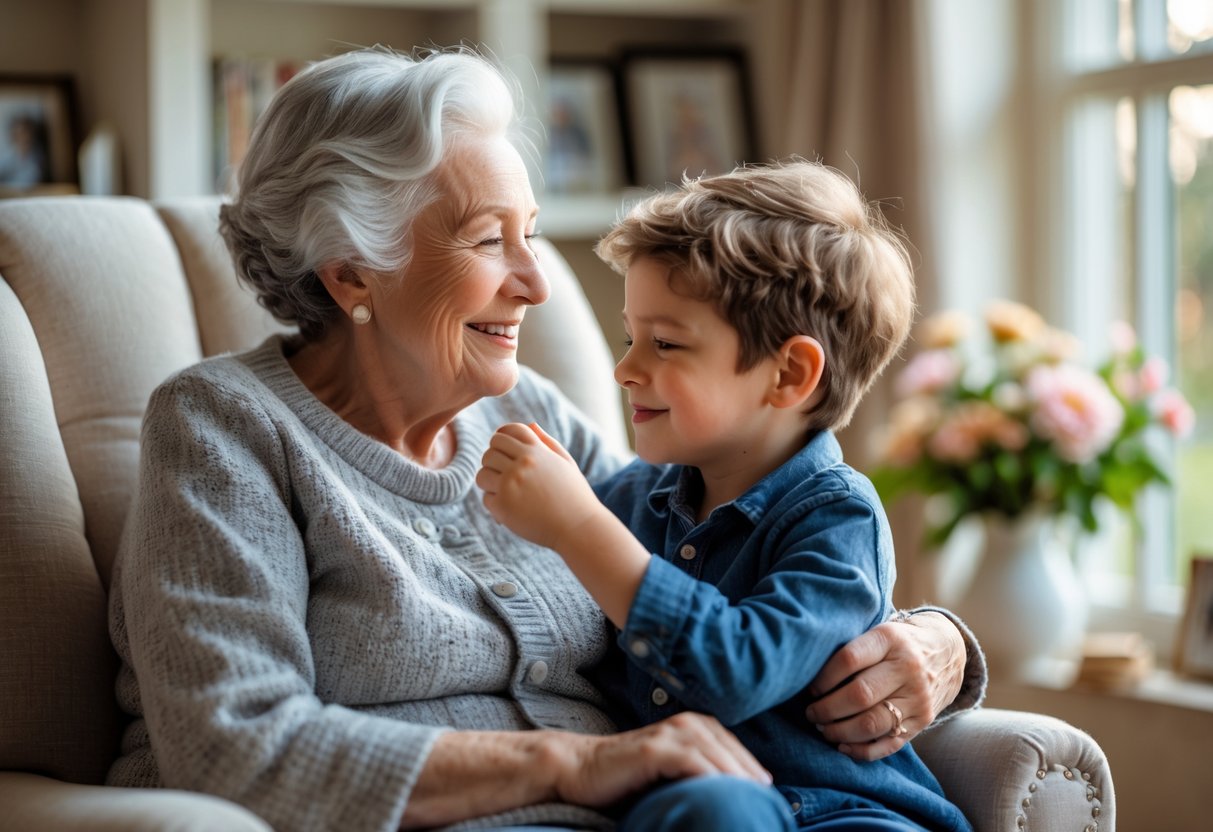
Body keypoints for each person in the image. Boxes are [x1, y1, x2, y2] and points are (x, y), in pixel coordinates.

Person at [106, 46, 982, 832]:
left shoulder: (527, 413)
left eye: (529, 234)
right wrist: (575, 763)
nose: (536, 282)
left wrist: (933, 644)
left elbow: (723, 558)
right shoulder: (225, 427)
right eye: (490, 241)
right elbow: (233, 744)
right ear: (351, 273)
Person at [477, 161, 972, 831]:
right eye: (630, 338)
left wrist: (576, 526)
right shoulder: (628, 499)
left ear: (789, 374)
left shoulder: (837, 516)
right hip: (703, 808)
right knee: (709, 805)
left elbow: (737, 672)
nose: (625, 370)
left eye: (664, 343)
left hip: (848, 813)